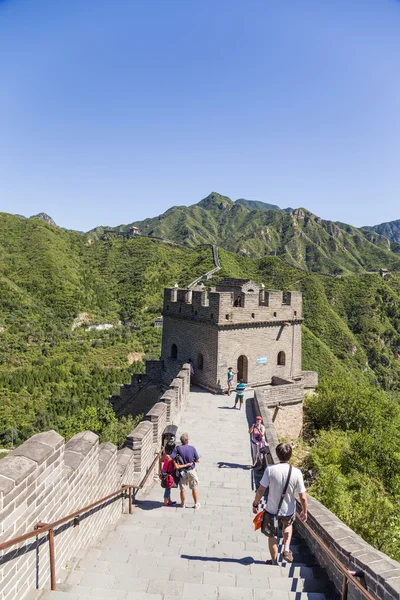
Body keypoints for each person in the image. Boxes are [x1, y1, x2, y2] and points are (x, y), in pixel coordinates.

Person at [252, 443, 307, 565]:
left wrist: (255, 503)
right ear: (290, 456)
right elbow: (302, 496)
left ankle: (274, 561)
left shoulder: (270, 470)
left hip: (272, 509)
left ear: (277, 454)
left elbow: (261, 490)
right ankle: (286, 549)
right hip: (288, 509)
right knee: (287, 526)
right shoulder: (296, 472)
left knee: (272, 535)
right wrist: (304, 511)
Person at [174, 433, 200, 509]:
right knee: (194, 487)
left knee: (183, 488)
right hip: (191, 470)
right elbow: (198, 460)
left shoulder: (178, 448)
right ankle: (196, 504)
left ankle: (183, 504)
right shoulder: (192, 448)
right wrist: (192, 461)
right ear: (187, 441)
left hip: (183, 471)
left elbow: (173, 457)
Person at [158, 440, 177, 506]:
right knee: (168, 488)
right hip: (168, 473)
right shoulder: (169, 457)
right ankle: (165, 503)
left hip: (164, 471)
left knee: (168, 487)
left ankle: (169, 501)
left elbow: (160, 461)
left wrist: (160, 470)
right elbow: (171, 459)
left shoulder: (165, 454)